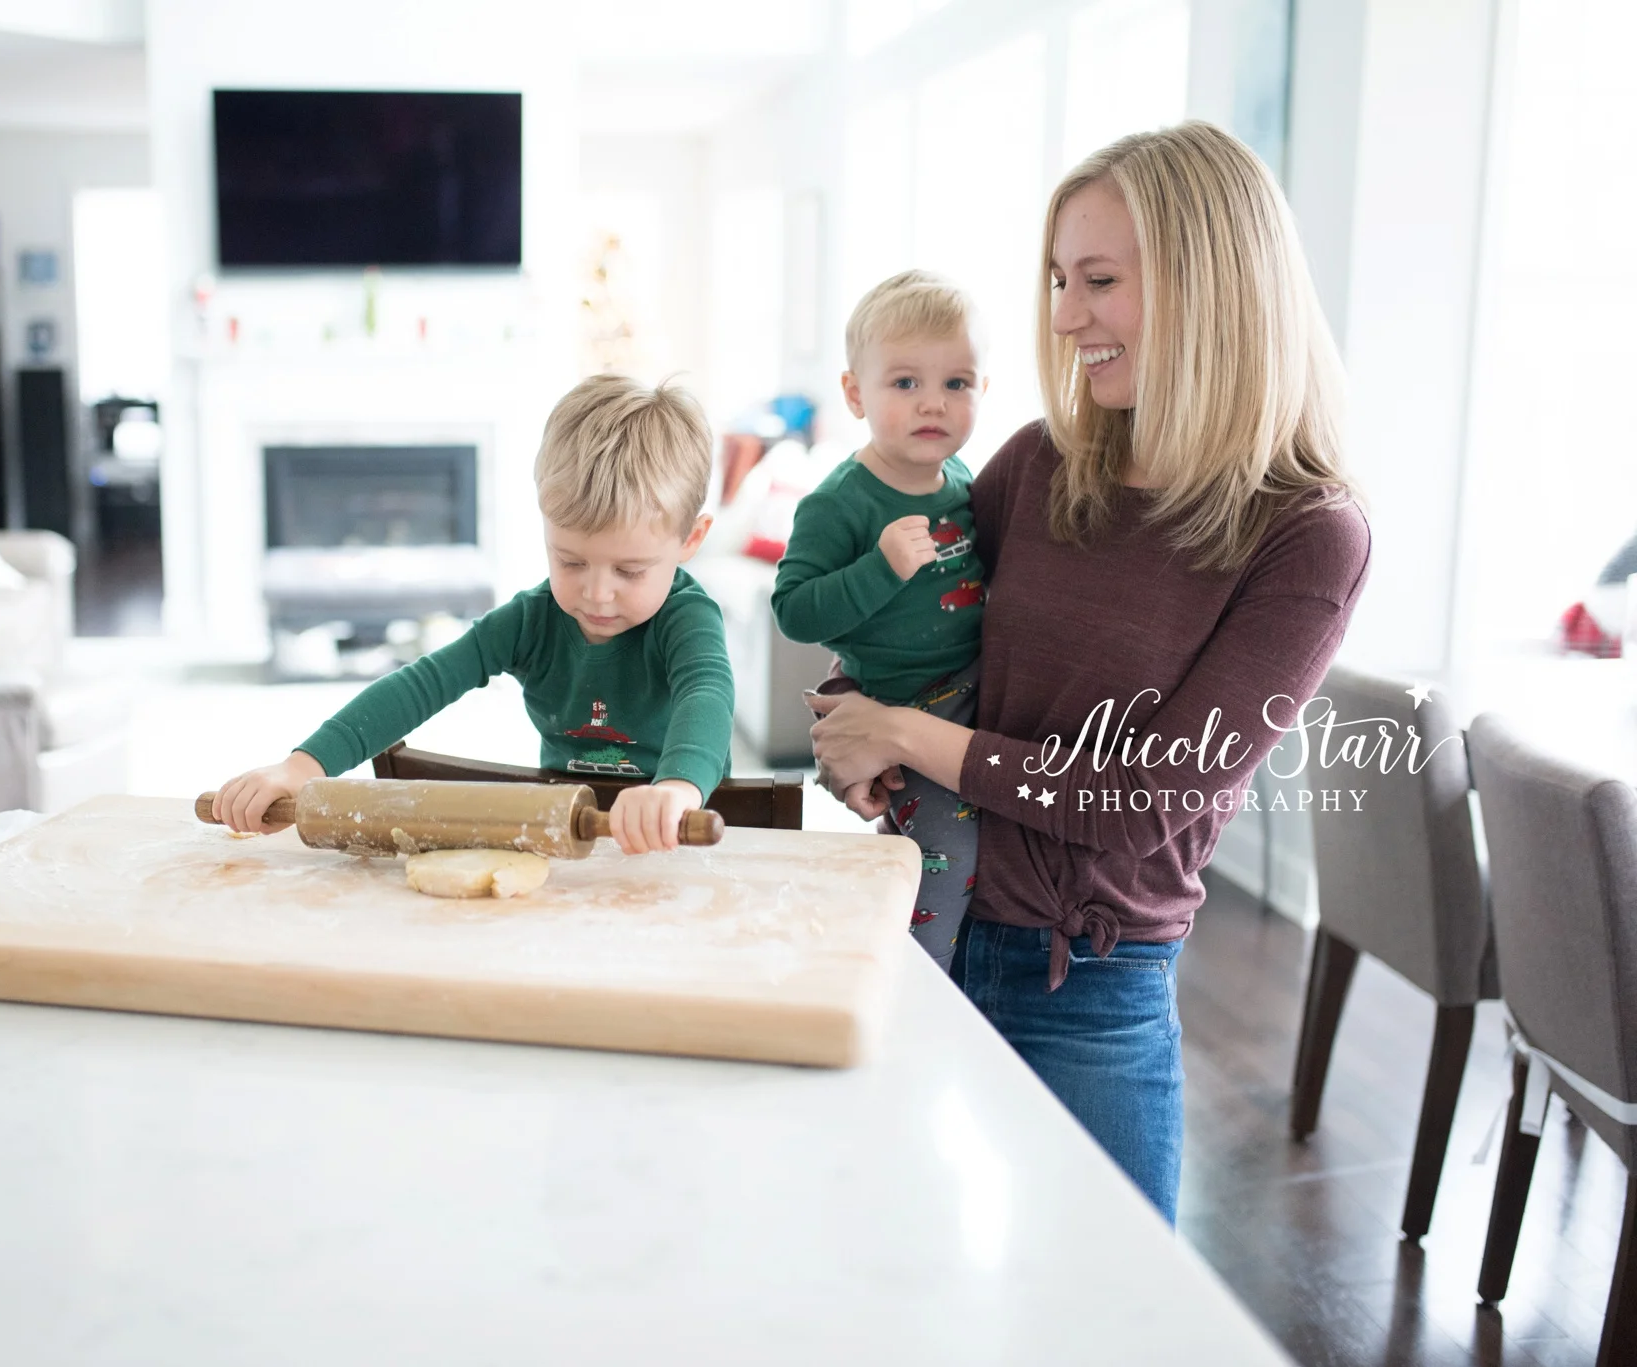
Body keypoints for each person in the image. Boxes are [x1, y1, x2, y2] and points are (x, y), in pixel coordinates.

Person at [806, 121, 1371, 1222]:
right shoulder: (1038, 464)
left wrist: (908, 736)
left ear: (1212, 286)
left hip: (1086, 988)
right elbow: (906, 645)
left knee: (1117, 1324)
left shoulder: (1306, 534)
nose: (1063, 316)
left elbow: (1147, 802)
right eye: (1059, 278)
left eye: (1098, 280)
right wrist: (848, 722)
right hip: (915, 924)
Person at [212, 374, 736, 854]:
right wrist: (303, 767)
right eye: (570, 561)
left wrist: (675, 788)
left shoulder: (686, 620)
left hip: (686, 839)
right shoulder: (532, 621)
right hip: (571, 840)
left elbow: (706, 693)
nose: (597, 593)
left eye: (630, 571)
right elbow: (423, 683)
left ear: (690, 539)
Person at [771, 271, 991, 971]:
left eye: (957, 382)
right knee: (942, 856)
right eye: (905, 383)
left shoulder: (966, 482)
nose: (934, 402)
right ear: (855, 393)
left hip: (976, 690)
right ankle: (918, 983)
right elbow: (795, 610)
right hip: (902, 699)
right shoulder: (839, 503)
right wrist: (881, 568)